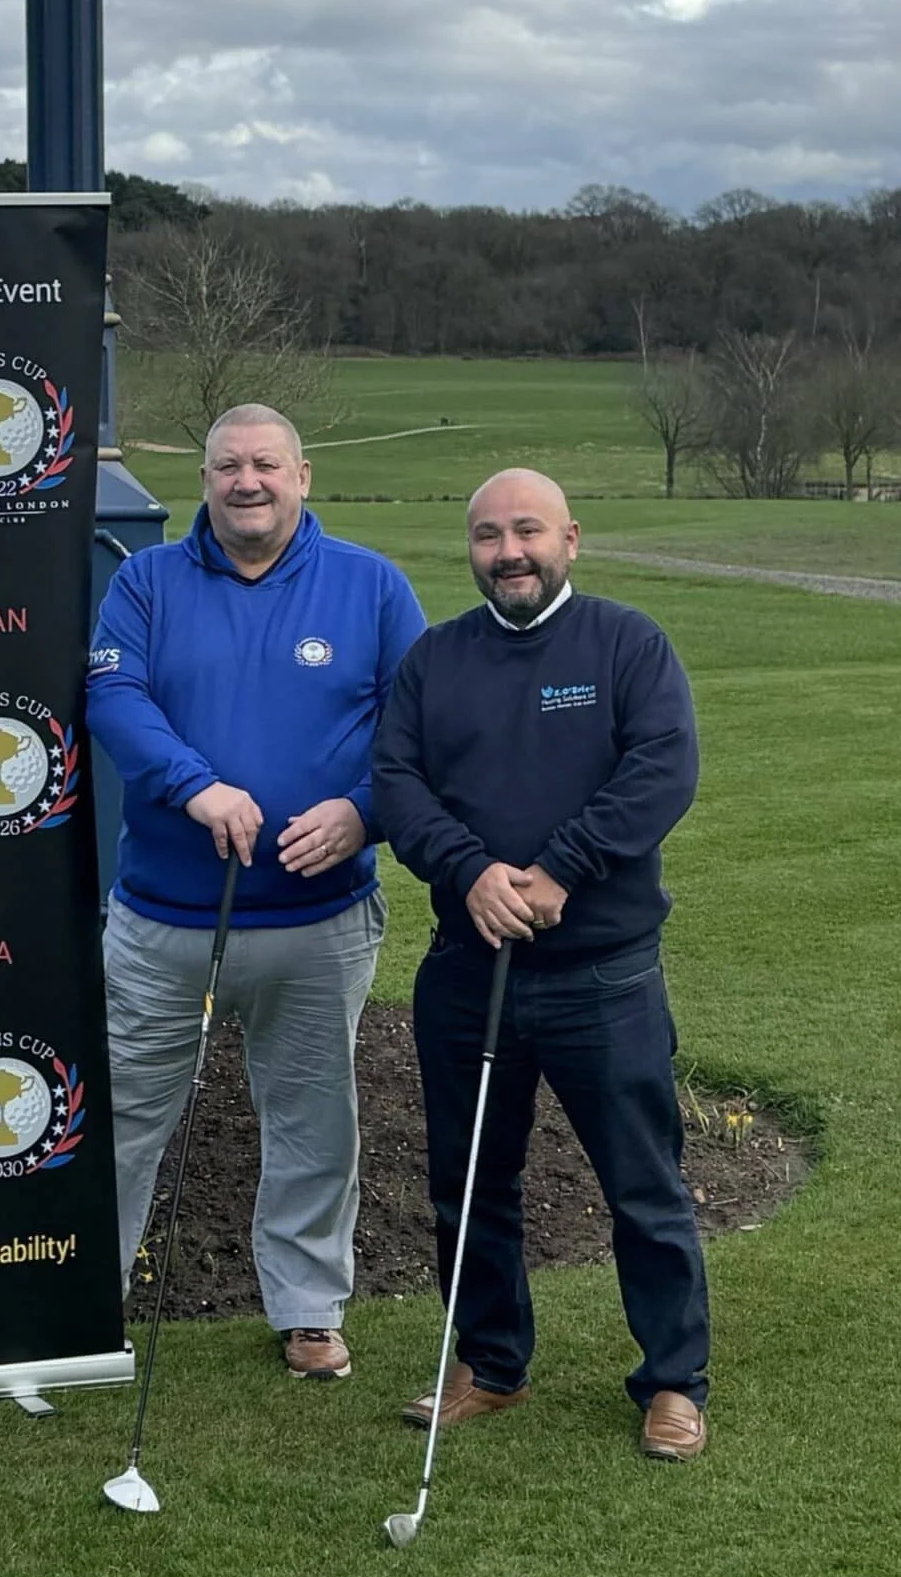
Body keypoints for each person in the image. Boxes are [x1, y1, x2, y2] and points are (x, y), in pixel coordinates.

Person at [371, 467, 711, 1459]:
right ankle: (490, 1364)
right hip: (467, 969)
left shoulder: (625, 644)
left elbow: (662, 766)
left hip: (600, 974)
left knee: (642, 1184)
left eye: (526, 530)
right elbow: (395, 782)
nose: (507, 551)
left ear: (570, 538)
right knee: (470, 1181)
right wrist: (470, 869)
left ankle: (672, 1380)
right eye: (487, 535)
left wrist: (561, 869)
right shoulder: (434, 661)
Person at [87, 402, 426, 1380]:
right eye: (228, 465)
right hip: (162, 920)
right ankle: (84, 1295)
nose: (247, 481)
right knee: (122, 1115)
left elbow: (420, 726)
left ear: (301, 476)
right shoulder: (145, 582)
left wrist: (364, 812)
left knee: (314, 1117)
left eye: (265, 464)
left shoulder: (370, 585)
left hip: (318, 923)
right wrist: (194, 785)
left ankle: (308, 1308)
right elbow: (112, 695)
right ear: (204, 480)